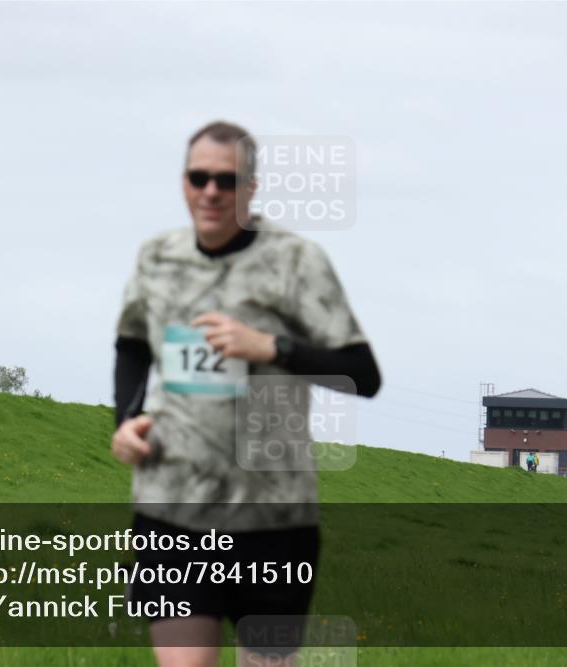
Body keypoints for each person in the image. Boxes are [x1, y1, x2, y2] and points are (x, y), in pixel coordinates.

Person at [111, 121, 381, 667]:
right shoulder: (155, 257)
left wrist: (269, 346)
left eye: (227, 181)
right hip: (174, 507)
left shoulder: (296, 261)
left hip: (272, 519)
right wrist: (128, 419)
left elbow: (362, 373)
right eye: (199, 178)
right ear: (184, 182)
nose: (211, 192)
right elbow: (133, 343)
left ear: (251, 188)